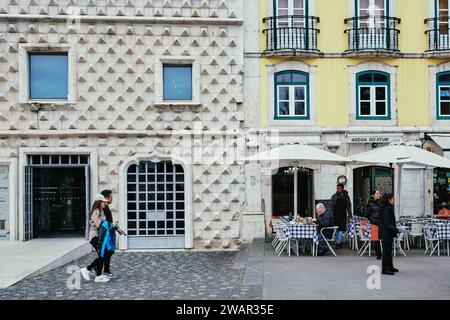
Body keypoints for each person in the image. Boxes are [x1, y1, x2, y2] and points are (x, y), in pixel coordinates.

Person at [80, 195, 110, 283]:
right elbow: (99, 225)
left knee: (103, 255)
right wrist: (107, 223)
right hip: (95, 237)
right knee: (102, 255)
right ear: (99, 202)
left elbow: (104, 223)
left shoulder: (101, 211)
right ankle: (87, 269)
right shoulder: (95, 212)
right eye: (104, 202)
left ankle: (98, 275)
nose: (105, 203)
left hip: (100, 236)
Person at [99, 189, 125, 279]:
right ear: (106, 198)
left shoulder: (106, 208)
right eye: (111, 197)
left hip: (109, 233)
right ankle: (104, 271)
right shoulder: (104, 209)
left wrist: (117, 228)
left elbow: (109, 222)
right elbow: (105, 223)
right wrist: (113, 226)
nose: (112, 199)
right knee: (107, 252)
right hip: (107, 235)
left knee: (108, 252)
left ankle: (104, 270)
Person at [379, 193, 399, 275]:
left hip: (388, 233)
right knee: (386, 252)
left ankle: (390, 267)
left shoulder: (388, 208)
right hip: (386, 233)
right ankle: (384, 269)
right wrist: (394, 229)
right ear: (389, 200)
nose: (394, 200)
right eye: (393, 199)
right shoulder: (386, 209)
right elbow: (386, 223)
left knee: (389, 251)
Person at [329, 183, 352, 249]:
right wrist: (331, 215)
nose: (337, 189)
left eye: (339, 188)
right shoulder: (334, 196)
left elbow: (348, 206)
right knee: (336, 229)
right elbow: (331, 206)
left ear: (342, 189)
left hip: (343, 215)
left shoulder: (346, 196)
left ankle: (338, 243)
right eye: (337, 188)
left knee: (341, 229)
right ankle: (338, 243)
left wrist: (350, 215)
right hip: (335, 215)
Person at [365, 189, 382, 259]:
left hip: (381, 223)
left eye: (379, 193)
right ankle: (379, 255)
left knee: (383, 239)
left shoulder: (381, 203)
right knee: (376, 240)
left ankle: (385, 254)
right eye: (377, 193)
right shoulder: (369, 204)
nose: (379, 195)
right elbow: (367, 214)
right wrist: (372, 219)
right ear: (373, 195)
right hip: (374, 223)